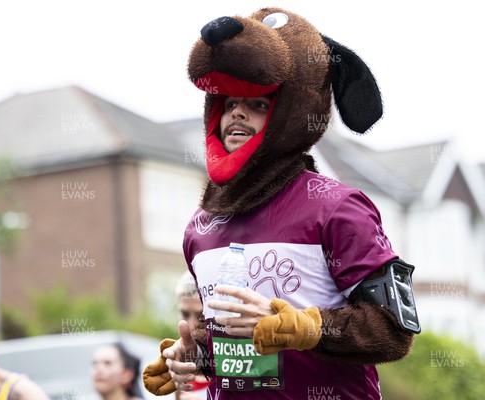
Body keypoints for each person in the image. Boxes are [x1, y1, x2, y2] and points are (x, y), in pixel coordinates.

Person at [143, 7, 420, 400]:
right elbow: (231, 339)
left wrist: (302, 328)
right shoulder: (200, 228)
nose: (237, 112)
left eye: (259, 103)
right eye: (230, 102)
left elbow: (393, 330)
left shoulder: (337, 207)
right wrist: (194, 355)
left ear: (290, 112)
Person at [174, 272, 210, 400]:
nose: (191, 326)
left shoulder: (238, 368)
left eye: (202, 316)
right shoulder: (171, 367)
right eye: (184, 314)